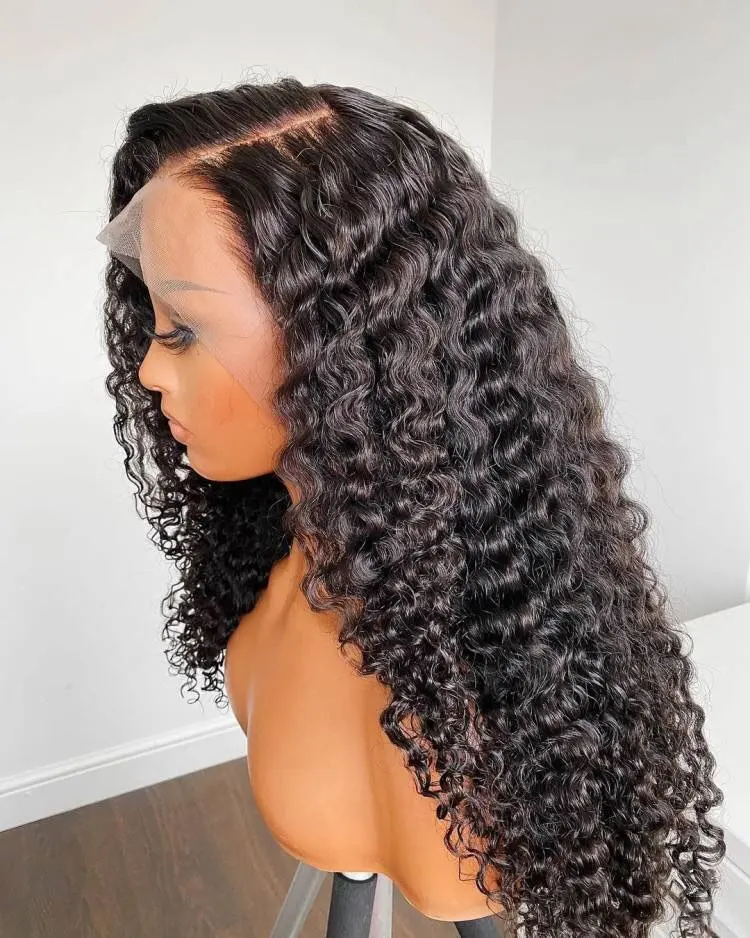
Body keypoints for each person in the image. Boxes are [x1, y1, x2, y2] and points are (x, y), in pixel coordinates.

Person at [96, 77, 726, 936]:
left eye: (184, 329)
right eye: (155, 321)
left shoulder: (485, 685)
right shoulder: (285, 567)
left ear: (348, 340)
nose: (147, 369)